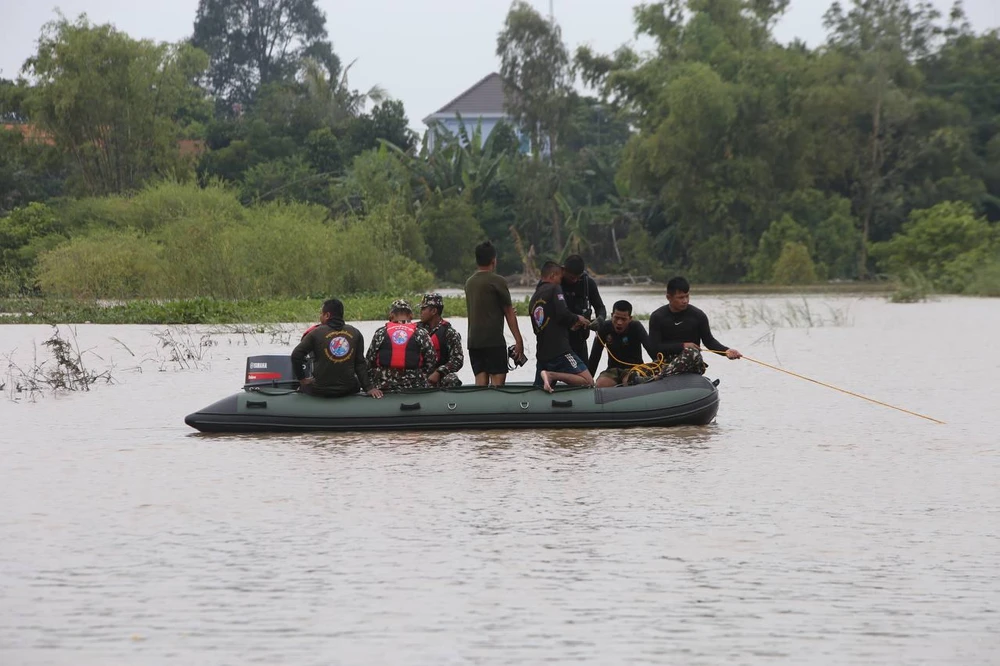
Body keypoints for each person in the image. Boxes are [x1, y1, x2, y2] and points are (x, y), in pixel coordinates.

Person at [648, 276, 741, 377]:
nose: (685, 301)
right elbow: (654, 348)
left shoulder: (698, 315)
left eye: (687, 296)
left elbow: (709, 341)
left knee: (691, 352)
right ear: (669, 297)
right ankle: (657, 376)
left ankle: (659, 376)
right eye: (680, 298)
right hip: (666, 361)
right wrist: (682, 346)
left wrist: (726, 351)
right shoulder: (657, 316)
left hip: (692, 360)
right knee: (635, 373)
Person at [291, 298, 383, 399]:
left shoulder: (315, 333)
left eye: (321, 314)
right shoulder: (355, 333)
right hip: (348, 389)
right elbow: (360, 363)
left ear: (327, 315)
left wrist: (302, 379)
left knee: (304, 387)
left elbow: (296, 355)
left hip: (320, 390)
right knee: (355, 382)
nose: (320, 316)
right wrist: (369, 388)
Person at [464, 240, 525, 387]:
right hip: (493, 342)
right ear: (494, 260)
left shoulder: (469, 282)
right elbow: (509, 312)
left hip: (474, 342)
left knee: (480, 383)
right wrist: (519, 341)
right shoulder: (498, 281)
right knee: (498, 385)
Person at [529, 261, 595, 393]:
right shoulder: (555, 288)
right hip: (560, 351)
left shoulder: (534, 297)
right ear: (553, 275)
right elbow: (562, 313)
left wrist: (570, 326)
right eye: (560, 277)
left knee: (539, 391)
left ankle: (546, 377)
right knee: (588, 381)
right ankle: (552, 374)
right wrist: (578, 318)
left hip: (542, 354)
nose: (561, 281)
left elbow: (548, 322)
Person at [366, 299, 438, 392]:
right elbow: (432, 360)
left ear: (391, 315)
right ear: (411, 315)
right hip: (413, 385)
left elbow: (369, 359)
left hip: (385, 385)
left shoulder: (381, 333)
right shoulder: (421, 333)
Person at [587, 300, 655, 388]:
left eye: (623, 319)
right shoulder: (604, 327)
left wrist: (658, 366)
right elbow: (595, 356)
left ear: (630, 318)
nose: (619, 322)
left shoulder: (636, 327)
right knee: (601, 384)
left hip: (634, 368)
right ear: (611, 316)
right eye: (616, 318)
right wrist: (588, 380)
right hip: (613, 370)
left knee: (629, 381)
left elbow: (650, 349)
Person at [561, 254, 607, 360]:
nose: (575, 280)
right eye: (572, 277)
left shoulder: (587, 283)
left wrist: (599, 320)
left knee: (583, 376)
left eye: (578, 277)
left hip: (579, 340)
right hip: (559, 339)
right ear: (563, 270)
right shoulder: (556, 282)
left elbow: (601, 308)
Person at [417, 292, 464, 388]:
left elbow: (457, 359)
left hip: (439, 375)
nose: (420, 312)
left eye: (423, 309)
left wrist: (439, 372)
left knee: (452, 380)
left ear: (434, 311)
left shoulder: (449, 332)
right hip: (418, 374)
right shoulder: (415, 330)